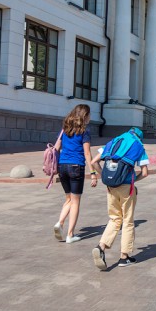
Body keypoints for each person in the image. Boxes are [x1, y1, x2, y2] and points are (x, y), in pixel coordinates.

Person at [91, 127, 149, 269]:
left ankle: (101, 247)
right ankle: (124, 256)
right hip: (126, 188)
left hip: (110, 186)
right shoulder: (138, 146)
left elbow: (94, 162)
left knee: (115, 218)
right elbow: (145, 172)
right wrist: (133, 180)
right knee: (127, 221)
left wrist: (105, 175)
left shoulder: (114, 141)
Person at [53, 104, 100, 244]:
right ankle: (70, 234)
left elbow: (56, 148)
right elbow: (87, 153)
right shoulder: (84, 131)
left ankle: (60, 223)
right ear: (85, 116)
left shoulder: (64, 129)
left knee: (68, 199)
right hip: (76, 167)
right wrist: (92, 172)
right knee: (76, 202)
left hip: (62, 167)